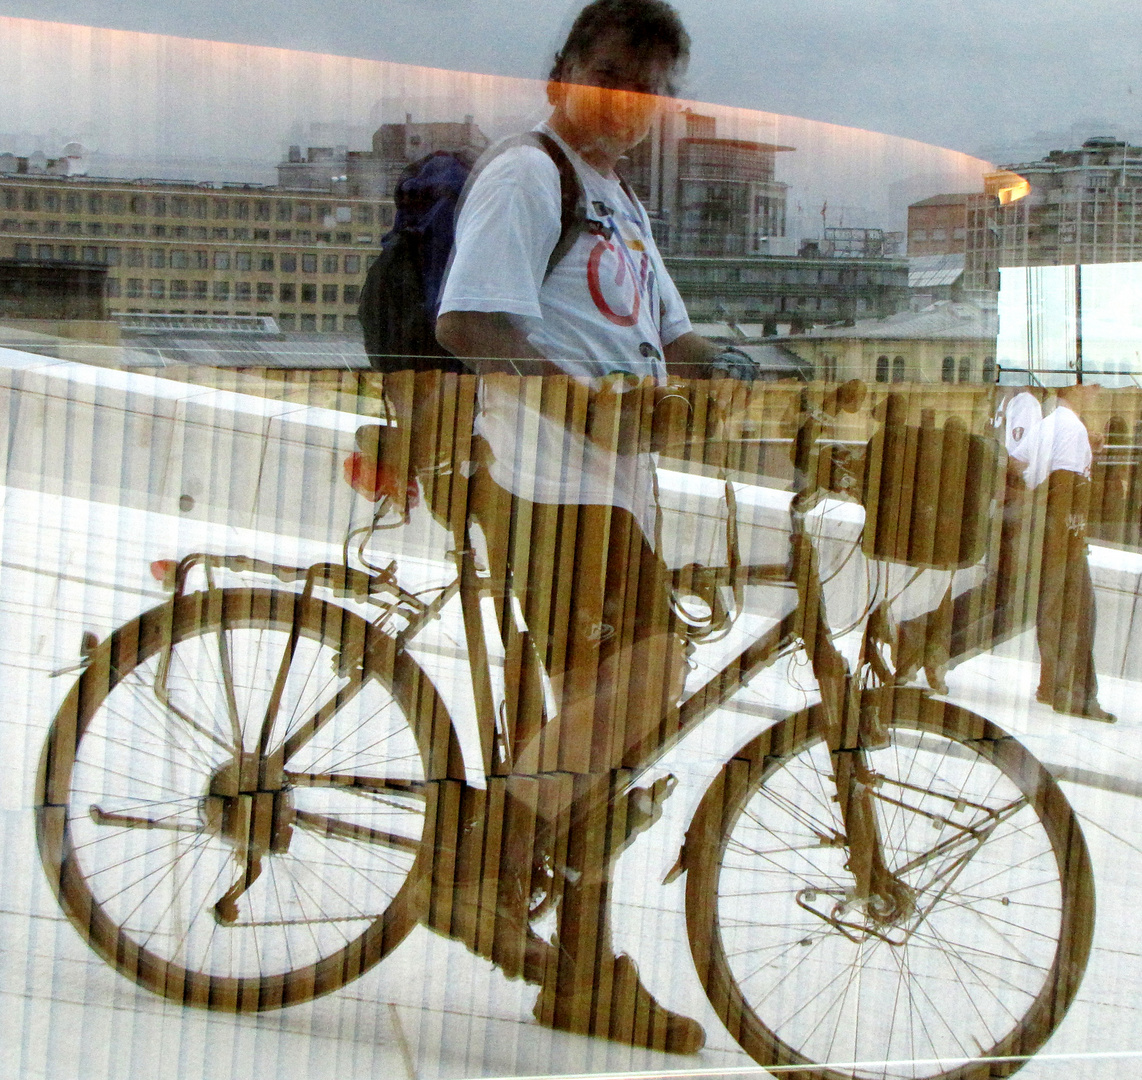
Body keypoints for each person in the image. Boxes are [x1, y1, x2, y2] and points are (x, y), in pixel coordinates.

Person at [433, 0, 734, 1054]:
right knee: (642, 684)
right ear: (563, 69)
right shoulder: (529, 171)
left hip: (607, 495)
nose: (626, 102)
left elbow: (675, 336)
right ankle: (476, 874)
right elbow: (471, 322)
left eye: (647, 88)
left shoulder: (618, 204)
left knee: (612, 748)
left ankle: (582, 976)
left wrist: (746, 387)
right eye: (609, 73)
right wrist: (584, 400)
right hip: (541, 486)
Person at [1016, 382, 1115, 721]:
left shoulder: (1050, 423)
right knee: (1080, 614)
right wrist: (1072, 538)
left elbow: (1018, 465)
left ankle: (1051, 685)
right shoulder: (1071, 427)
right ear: (1076, 388)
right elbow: (1063, 484)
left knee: (1054, 613)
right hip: (1063, 535)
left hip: (1043, 533)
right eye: (1092, 385)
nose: (1097, 391)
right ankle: (1075, 695)